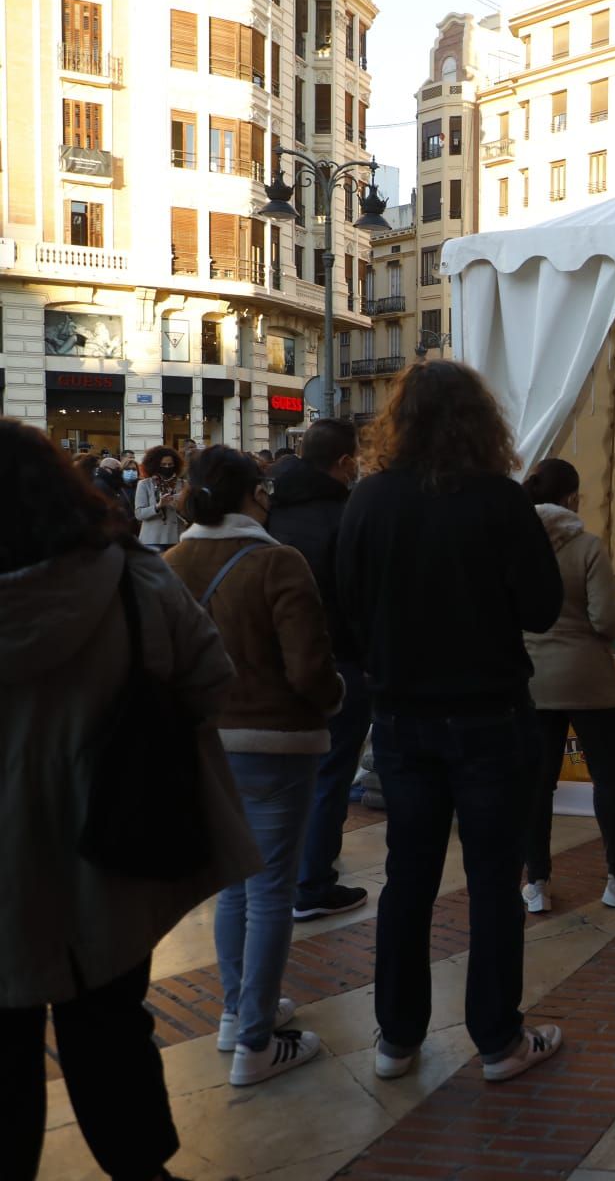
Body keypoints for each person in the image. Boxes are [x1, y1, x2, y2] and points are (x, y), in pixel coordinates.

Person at [0, 419, 258, 1181]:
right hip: (113, 842)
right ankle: (141, 1170)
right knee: (111, 1024)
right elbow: (211, 682)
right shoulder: (129, 575)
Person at [336, 360, 565, 1084]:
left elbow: (343, 617)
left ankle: (396, 1039)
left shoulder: (369, 500)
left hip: (403, 717)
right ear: (480, 423)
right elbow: (541, 609)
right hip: (491, 714)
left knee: (409, 877)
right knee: (495, 879)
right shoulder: (501, 500)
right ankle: (498, 1040)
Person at [166, 447, 342, 1086]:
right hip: (276, 743)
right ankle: (257, 1042)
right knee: (271, 891)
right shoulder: (277, 562)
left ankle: (238, 1012)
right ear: (255, 494)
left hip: (205, 746)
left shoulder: (170, 564)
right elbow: (309, 668)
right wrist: (337, 700)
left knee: (234, 888)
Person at [519, 458, 615, 915]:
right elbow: (607, 618)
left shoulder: (514, 546)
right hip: (587, 677)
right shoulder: (586, 546)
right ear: (572, 499)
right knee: (608, 779)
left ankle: (536, 883)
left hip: (531, 678)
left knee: (536, 785)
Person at [268, 418, 373, 923]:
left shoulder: (270, 512)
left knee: (287, 777)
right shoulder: (345, 516)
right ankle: (313, 882)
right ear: (344, 462)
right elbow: (360, 596)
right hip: (339, 661)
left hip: (277, 663)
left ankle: (284, 875)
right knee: (331, 773)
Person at [134, 445, 186, 550]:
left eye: (170, 464)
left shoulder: (183, 484)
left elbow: (191, 512)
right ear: (156, 465)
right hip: (153, 539)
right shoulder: (145, 484)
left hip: (177, 538)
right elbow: (139, 514)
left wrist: (179, 505)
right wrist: (158, 506)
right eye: (163, 464)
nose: (167, 467)